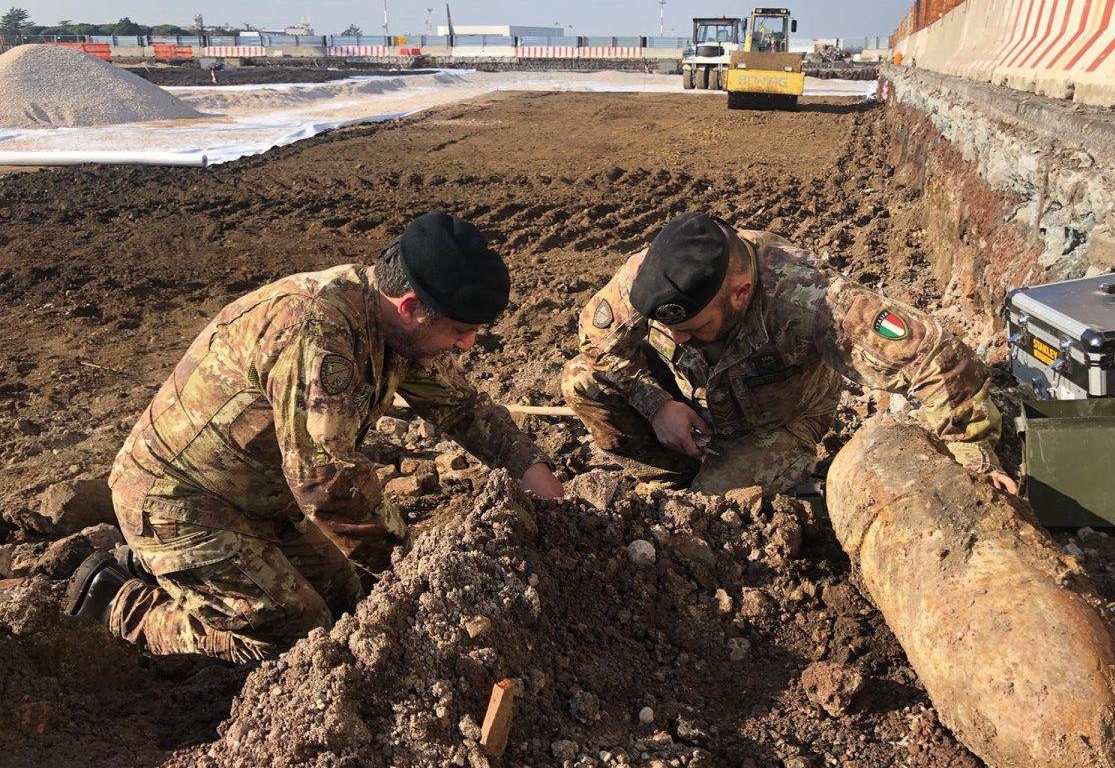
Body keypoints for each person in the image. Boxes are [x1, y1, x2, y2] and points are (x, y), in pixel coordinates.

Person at [65, 212, 564, 663]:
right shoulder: (319, 331)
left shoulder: (393, 327)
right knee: (301, 638)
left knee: (352, 601)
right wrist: (419, 569)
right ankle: (120, 600)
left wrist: (531, 469)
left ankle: (173, 569)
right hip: (180, 502)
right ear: (412, 305)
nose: (469, 343)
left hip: (264, 499)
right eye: (461, 330)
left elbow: (464, 408)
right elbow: (325, 484)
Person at [562, 211, 1018, 497]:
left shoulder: (809, 299)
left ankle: (707, 487)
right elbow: (596, 338)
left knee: (716, 505)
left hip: (779, 422)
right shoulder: (652, 274)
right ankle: (674, 478)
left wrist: (974, 463)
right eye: (671, 329)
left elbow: (938, 355)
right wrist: (657, 405)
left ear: (740, 295)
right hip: (695, 404)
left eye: (694, 328)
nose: (679, 339)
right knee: (579, 379)